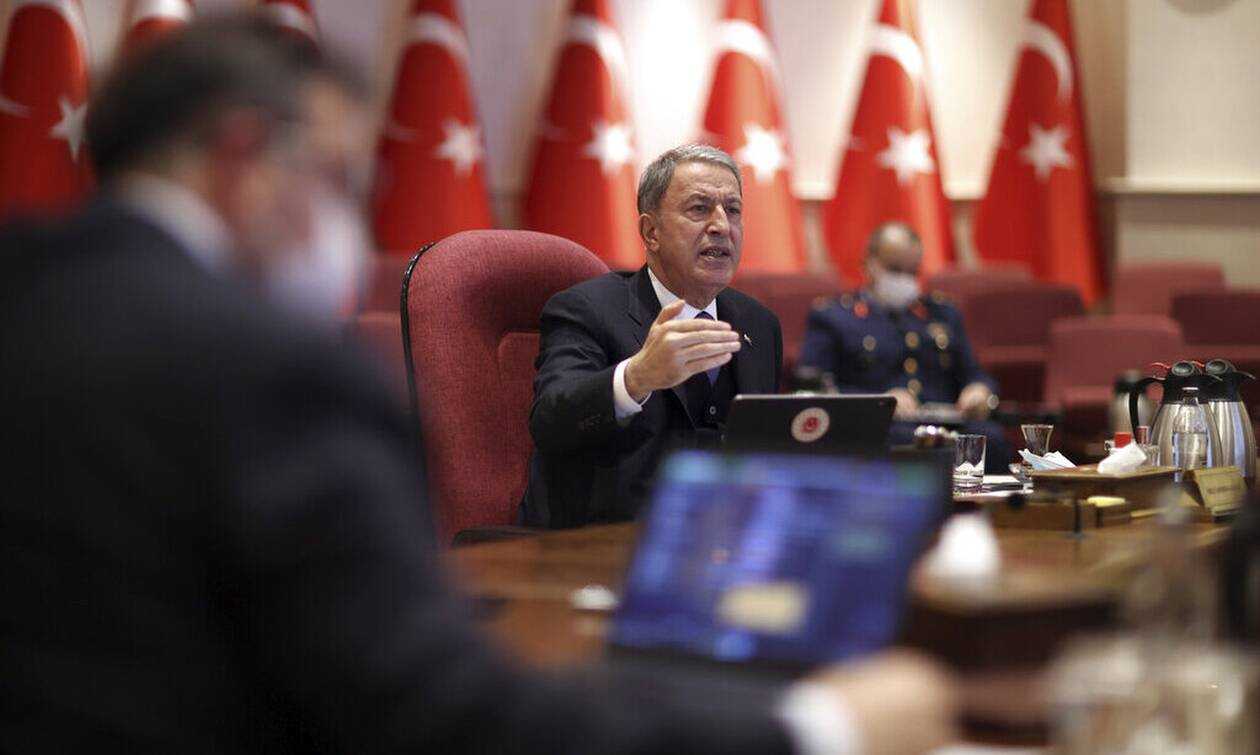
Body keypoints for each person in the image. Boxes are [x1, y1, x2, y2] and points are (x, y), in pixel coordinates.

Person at [0, 18, 956, 754]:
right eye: (336, 178)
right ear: (244, 156)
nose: (343, 220)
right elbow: (429, 704)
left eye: (733, 211)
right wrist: (815, 729)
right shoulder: (273, 369)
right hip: (585, 562)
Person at [522, 144, 782, 528]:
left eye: (733, 210)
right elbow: (550, 423)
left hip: (720, 538)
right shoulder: (586, 309)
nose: (721, 226)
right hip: (601, 542)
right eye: (699, 209)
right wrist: (636, 377)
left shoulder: (758, 323)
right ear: (651, 232)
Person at [799, 222, 1011, 472]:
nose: (904, 279)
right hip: (880, 426)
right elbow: (815, 389)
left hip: (944, 424)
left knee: (992, 439)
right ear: (868, 265)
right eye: (894, 269)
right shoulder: (834, 316)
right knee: (901, 444)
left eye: (912, 272)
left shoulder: (942, 313)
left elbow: (973, 373)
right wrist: (881, 402)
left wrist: (979, 390)